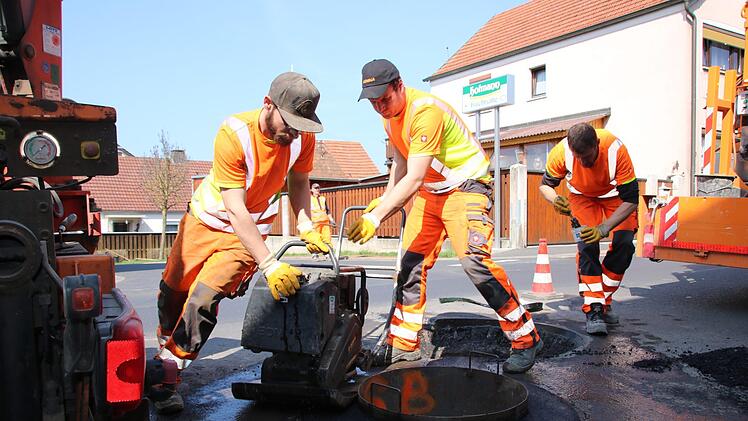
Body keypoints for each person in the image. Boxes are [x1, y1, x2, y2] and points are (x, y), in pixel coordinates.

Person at [349, 59, 542, 373]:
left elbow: (413, 178)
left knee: (475, 263)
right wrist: (383, 199)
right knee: (409, 264)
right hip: (432, 193)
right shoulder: (390, 119)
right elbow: (399, 163)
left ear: (399, 85)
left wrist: (377, 217)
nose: (380, 107)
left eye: (384, 99)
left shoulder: (426, 112)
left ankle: (525, 338)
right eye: (373, 103)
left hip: (467, 188)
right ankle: (403, 347)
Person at [152, 72, 330, 413]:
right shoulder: (234, 134)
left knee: (203, 299)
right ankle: (165, 352)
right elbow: (235, 208)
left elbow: (299, 181)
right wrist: (270, 263)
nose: (294, 132)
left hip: (245, 235)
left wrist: (307, 224)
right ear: (268, 105)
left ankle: (167, 379)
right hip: (206, 222)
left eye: (301, 125)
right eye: (289, 122)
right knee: (172, 293)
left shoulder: (301, 137)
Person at [539, 122, 639, 336]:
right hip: (581, 199)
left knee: (624, 246)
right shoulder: (561, 151)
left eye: (587, 156)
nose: (583, 162)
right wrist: (555, 199)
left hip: (617, 199)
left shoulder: (615, 150)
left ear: (597, 144)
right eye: (578, 157)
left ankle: (604, 301)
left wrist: (603, 228)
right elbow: (545, 185)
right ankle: (594, 310)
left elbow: (631, 200)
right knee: (587, 248)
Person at [310, 182, 335, 258]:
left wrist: (331, 220)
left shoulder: (323, 199)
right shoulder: (309, 199)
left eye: (318, 188)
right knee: (315, 238)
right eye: (315, 188)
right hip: (315, 223)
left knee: (327, 237)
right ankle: (314, 253)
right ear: (312, 190)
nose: (317, 189)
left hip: (325, 222)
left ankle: (327, 252)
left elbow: (327, 211)